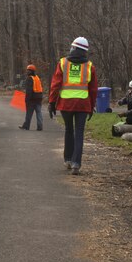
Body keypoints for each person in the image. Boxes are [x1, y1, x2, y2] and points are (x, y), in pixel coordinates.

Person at [48, 37, 98, 175]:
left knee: (69, 130)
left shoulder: (63, 63)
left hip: (66, 104)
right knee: (79, 133)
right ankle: (76, 163)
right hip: (82, 104)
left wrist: (52, 102)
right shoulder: (89, 66)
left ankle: (68, 160)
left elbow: (55, 84)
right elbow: (93, 89)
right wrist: (92, 106)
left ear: (73, 48)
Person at [19, 64, 44, 131]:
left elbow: (29, 90)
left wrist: (27, 100)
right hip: (39, 98)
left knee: (29, 113)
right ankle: (40, 126)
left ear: (31, 71)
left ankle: (26, 126)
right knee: (39, 112)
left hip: (32, 98)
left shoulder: (29, 78)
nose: (27, 71)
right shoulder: (37, 78)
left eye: (28, 70)